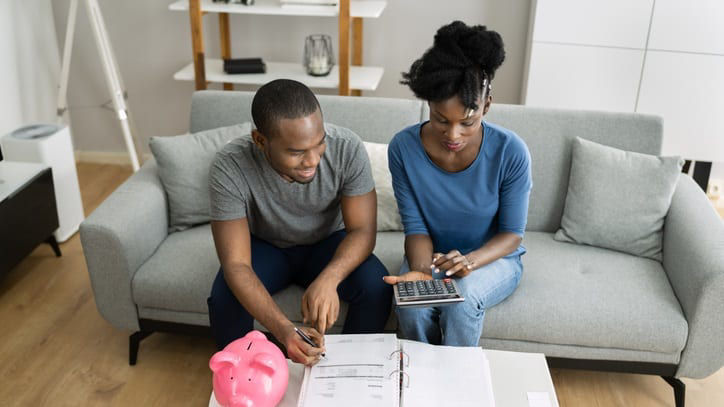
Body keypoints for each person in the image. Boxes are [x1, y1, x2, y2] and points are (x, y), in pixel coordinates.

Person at [207, 79, 392, 365]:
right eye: (296, 152)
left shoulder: (347, 148)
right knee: (224, 298)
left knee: (376, 287)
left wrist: (330, 278)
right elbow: (236, 265)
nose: (312, 160)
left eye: (319, 144)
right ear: (260, 140)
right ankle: (244, 380)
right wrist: (284, 330)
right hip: (267, 247)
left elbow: (363, 231)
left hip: (328, 242)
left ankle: (348, 373)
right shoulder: (229, 166)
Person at [383, 21, 532, 346]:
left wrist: (471, 262)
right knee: (412, 308)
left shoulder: (511, 151)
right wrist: (422, 272)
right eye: (441, 120)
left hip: (493, 259)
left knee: (462, 298)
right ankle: (419, 388)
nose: (453, 135)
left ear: (486, 106)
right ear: (428, 106)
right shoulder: (403, 148)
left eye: (467, 122)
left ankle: (457, 387)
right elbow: (416, 227)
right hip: (432, 256)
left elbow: (511, 234)